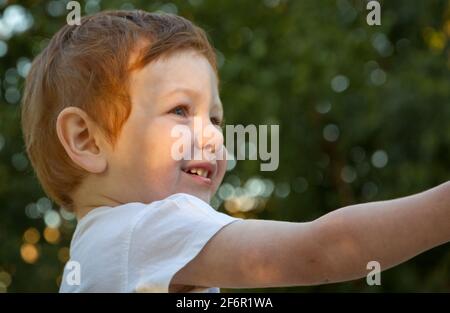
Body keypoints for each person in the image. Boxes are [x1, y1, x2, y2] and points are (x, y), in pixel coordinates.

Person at [20, 10, 450, 292]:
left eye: (215, 119)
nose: (210, 137)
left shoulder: (103, 249)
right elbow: (328, 247)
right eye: (180, 111)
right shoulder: (145, 230)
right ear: (86, 140)